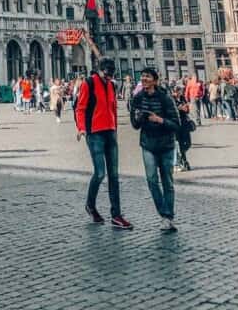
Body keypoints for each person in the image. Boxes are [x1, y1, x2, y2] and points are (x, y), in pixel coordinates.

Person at [76, 57, 132, 230]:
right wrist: (82, 128)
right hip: (94, 134)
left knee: (114, 175)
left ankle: (116, 215)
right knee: (100, 173)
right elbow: (81, 107)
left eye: (111, 75)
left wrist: (114, 127)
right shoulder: (88, 83)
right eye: (106, 74)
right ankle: (90, 205)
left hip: (110, 132)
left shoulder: (111, 85)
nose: (109, 78)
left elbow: (113, 107)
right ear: (99, 70)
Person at [130, 67, 180, 232]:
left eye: (147, 77)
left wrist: (160, 120)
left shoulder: (166, 99)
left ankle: (168, 216)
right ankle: (164, 213)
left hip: (166, 145)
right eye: (142, 76)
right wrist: (137, 118)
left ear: (155, 80)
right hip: (148, 145)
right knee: (152, 180)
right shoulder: (137, 98)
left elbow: (176, 124)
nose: (144, 79)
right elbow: (135, 125)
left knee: (167, 182)